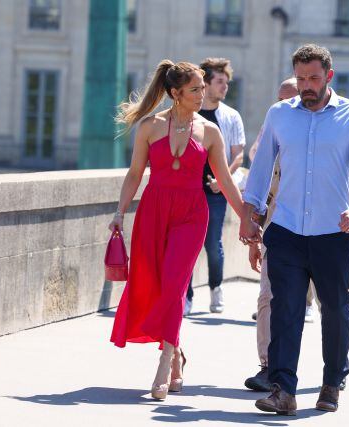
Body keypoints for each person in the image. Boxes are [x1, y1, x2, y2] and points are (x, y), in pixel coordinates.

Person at [108, 60, 259, 401]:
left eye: (203, 88)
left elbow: (225, 180)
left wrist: (246, 218)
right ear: (175, 93)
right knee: (154, 284)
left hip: (192, 214)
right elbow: (134, 174)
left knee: (175, 286)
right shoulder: (149, 127)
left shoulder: (210, 132)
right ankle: (176, 352)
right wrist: (119, 213)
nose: (202, 94)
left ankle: (163, 363)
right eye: (195, 89)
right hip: (153, 211)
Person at [242, 44, 349, 415]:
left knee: (335, 308)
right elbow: (261, 167)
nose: (306, 85)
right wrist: (248, 213)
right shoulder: (279, 115)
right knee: (286, 309)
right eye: (301, 78)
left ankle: (332, 382)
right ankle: (283, 390)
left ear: (329, 76)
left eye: (314, 78)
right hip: (284, 228)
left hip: (333, 230)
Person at [245, 78, 322, 393]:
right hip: (279, 228)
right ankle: (268, 367)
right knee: (268, 296)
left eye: (289, 100)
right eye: (279, 100)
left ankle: (335, 370)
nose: (282, 107)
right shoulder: (272, 129)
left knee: (330, 304)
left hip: (323, 231)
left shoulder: (326, 132)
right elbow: (259, 178)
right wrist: (254, 229)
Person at [184, 58, 245, 316]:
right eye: (219, 82)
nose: (225, 87)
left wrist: (222, 181)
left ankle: (216, 289)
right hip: (188, 190)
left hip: (217, 193)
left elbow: (239, 157)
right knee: (186, 245)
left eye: (227, 83)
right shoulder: (190, 116)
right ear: (205, 84)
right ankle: (185, 297)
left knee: (212, 243)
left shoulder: (231, 117)